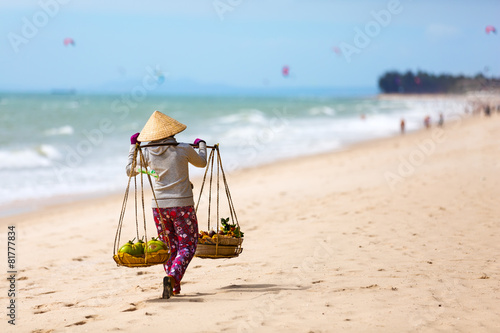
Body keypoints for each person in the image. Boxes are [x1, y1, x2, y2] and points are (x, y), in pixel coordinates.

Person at [126, 111, 207, 299]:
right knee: (188, 244)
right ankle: (172, 277)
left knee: (169, 245)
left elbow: (130, 171)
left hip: (159, 208)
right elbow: (202, 162)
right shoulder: (184, 149)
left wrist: (133, 147)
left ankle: (174, 285)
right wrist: (201, 145)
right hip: (182, 205)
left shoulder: (145, 152)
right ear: (172, 132)